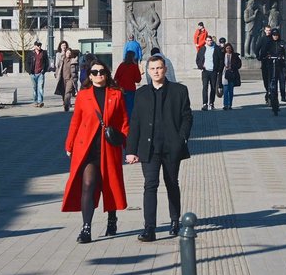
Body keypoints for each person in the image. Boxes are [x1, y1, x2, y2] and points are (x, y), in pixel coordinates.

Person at [126, 55, 193, 241]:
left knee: (172, 183)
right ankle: (149, 228)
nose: (156, 71)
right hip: (148, 148)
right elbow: (135, 122)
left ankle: (174, 221)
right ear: (148, 71)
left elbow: (187, 117)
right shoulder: (142, 93)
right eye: (152, 68)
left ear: (165, 69)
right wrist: (131, 150)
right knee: (150, 185)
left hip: (172, 147)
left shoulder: (179, 90)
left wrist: (181, 139)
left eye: (159, 68)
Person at [62, 62, 129, 244]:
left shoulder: (116, 94)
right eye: (95, 72)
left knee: (110, 184)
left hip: (109, 148)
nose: (99, 74)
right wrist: (69, 144)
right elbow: (75, 121)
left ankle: (112, 218)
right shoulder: (83, 96)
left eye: (102, 71)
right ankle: (86, 228)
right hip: (87, 149)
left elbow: (124, 121)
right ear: (89, 76)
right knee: (88, 183)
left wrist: (128, 148)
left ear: (106, 74)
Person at [259, 28, 286, 114]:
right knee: (273, 85)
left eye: (276, 35)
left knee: (282, 82)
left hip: (281, 65)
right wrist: (263, 57)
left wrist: (285, 56)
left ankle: (283, 95)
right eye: (273, 35)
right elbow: (263, 51)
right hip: (271, 65)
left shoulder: (282, 42)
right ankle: (274, 103)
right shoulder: (269, 43)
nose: (275, 37)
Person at [195, 35, 223, 110]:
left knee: (213, 88)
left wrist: (218, 69)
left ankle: (211, 103)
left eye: (210, 40)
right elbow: (198, 59)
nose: (209, 42)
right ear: (205, 41)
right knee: (205, 87)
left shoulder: (216, 49)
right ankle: (205, 104)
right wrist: (201, 66)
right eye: (208, 40)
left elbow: (221, 60)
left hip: (213, 71)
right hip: (205, 71)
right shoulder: (202, 49)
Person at [114, 50, 143, 119]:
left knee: (121, 107)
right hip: (130, 89)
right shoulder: (134, 66)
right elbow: (138, 79)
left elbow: (116, 77)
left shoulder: (121, 65)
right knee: (130, 108)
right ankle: (129, 123)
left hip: (121, 89)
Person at [26, 41, 50, 107]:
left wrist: (44, 71)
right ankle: (35, 101)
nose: (39, 46)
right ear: (35, 46)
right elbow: (27, 63)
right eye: (38, 45)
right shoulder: (31, 54)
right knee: (34, 88)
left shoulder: (44, 53)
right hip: (33, 74)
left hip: (40, 74)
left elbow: (47, 63)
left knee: (40, 88)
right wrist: (29, 72)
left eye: (40, 45)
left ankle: (40, 102)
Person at [220, 43, 242, 110]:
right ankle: (225, 105)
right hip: (225, 74)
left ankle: (230, 104)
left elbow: (239, 65)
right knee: (225, 90)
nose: (228, 50)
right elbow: (220, 64)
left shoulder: (235, 56)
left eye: (229, 48)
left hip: (232, 74)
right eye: (227, 48)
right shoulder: (223, 56)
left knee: (231, 91)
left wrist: (232, 67)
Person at [256, 25, 274, 96]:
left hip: (272, 60)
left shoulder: (273, 39)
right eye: (267, 30)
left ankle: (271, 90)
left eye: (269, 30)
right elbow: (257, 48)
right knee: (265, 77)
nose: (268, 32)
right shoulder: (262, 39)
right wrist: (258, 56)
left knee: (272, 77)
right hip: (264, 60)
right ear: (265, 31)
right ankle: (267, 90)